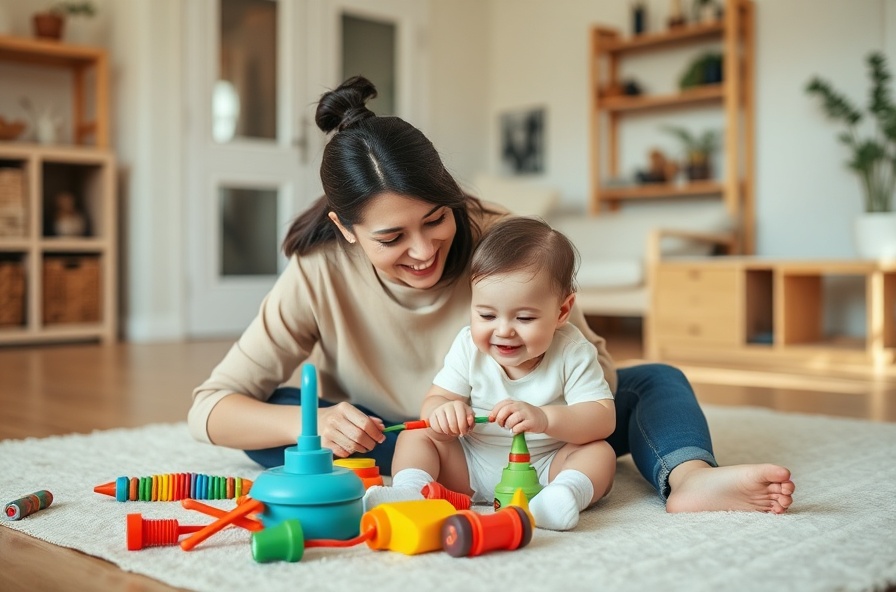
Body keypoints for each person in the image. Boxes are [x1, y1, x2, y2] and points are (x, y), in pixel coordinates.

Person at [188, 75, 795, 515]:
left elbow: (596, 370)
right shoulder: (318, 270)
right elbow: (211, 407)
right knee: (284, 424)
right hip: (399, 438)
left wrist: (531, 399)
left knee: (654, 381)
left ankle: (688, 478)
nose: (424, 251)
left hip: (530, 432)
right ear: (347, 230)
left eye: (435, 220)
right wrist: (317, 423)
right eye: (392, 237)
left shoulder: (504, 241)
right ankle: (405, 483)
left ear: (450, 194)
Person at [364, 217, 617, 531]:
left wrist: (545, 419)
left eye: (524, 317)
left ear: (562, 312)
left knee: (600, 453)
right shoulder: (468, 345)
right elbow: (436, 400)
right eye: (486, 314)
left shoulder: (573, 351)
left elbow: (602, 419)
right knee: (416, 434)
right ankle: (412, 491)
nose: (503, 330)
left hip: (545, 471)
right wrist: (444, 412)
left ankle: (562, 497)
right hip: (468, 468)